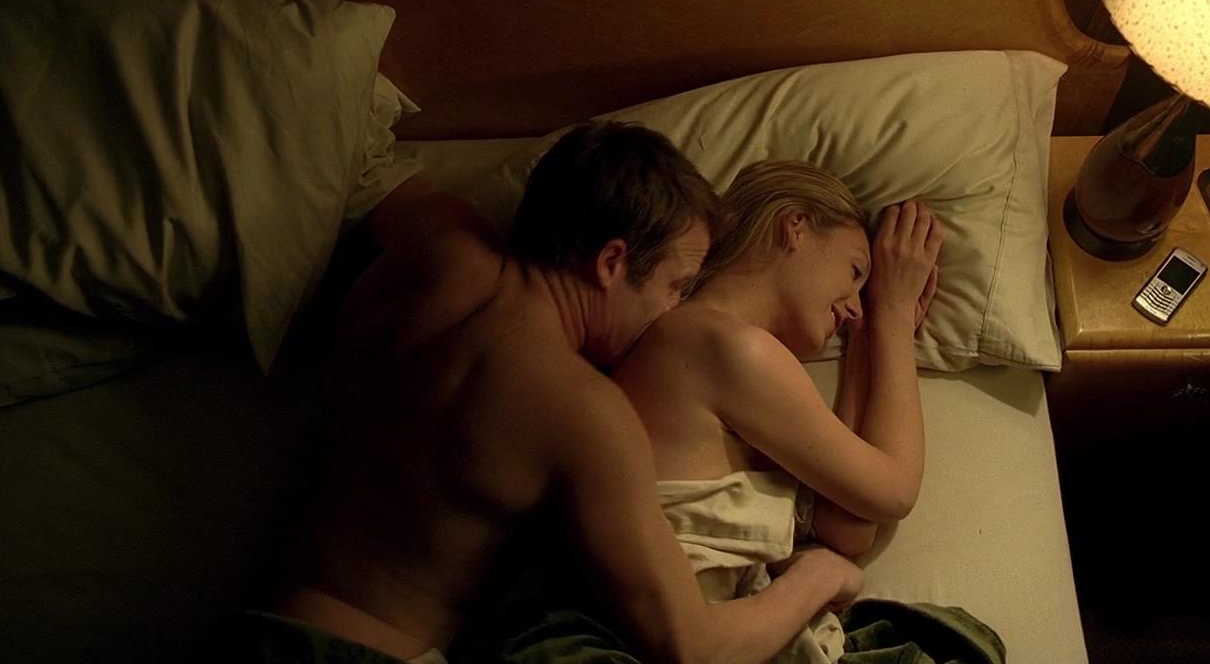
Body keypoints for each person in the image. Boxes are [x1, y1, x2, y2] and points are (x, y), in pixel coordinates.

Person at [240, 125, 863, 664]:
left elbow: (375, 172)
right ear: (611, 261)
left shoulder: (436, 246)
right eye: (675, 284)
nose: (674, 309)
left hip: (255, 629)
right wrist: (818, 575)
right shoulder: (582, 412)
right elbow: (693, 646)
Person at [612, 160, 944, 661]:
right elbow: (894, 490)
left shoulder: (705, 345)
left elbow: (847, 524)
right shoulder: (726, 346)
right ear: (796, 225)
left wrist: (866, 344)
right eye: (854, 271)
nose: (855, 306)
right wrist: (893, 317)